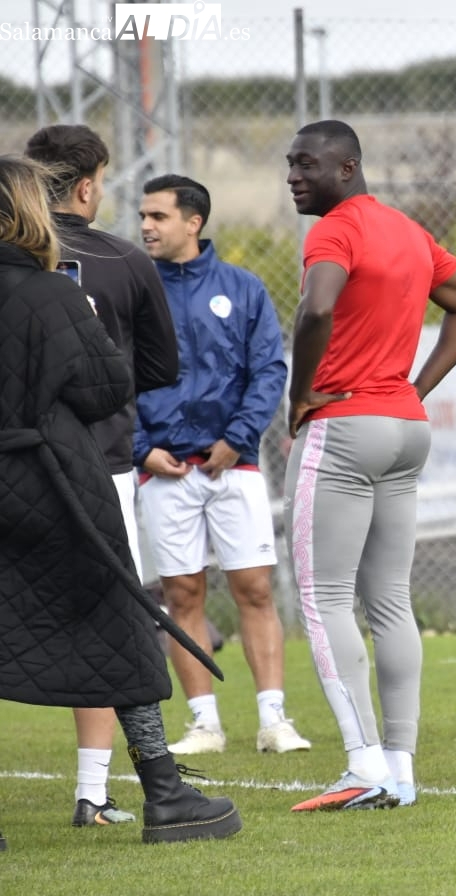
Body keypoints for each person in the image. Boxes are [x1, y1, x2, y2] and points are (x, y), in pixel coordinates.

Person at [0, 154, 240, 848]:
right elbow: (106, 388)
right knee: (118, 623)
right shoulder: (51, 293)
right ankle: (165, 792)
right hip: (51, 481)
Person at [284, 120, 456, 810]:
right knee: (391, 602)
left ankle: (363, 763)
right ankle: (400, 770)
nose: (293, 177)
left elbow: (316, 307)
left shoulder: (334, 229)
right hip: (404, 429)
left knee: (325, 599)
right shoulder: (408, 230)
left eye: (306, 164)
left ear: (346, 169)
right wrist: (415, 388)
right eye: (290, 164)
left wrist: (300, 394)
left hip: (344, 426)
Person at [25, 123, 179, 828]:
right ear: (88, 186)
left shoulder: (15, 262)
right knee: (110, 620)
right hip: (102, 464)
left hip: (15, 463)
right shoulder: (123, 259)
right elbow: (158, 368)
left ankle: (99, 792)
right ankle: (96, 792)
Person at [134, 174, 310, 757]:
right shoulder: (133, 291)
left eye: (158, 216)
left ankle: (274, 721)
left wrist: (237, 439)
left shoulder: (242, 287)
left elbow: (269, 370)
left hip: (233, 468)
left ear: (194, 222)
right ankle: (204, 725)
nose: (146, 226)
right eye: (143, 216)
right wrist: (141, 448)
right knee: (182, 595)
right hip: (163, 469)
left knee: (254, 588)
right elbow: (111, 377)